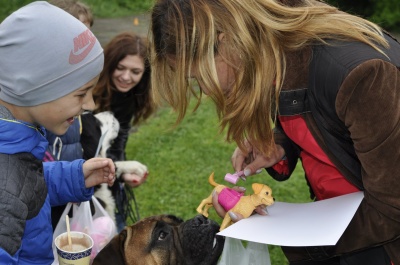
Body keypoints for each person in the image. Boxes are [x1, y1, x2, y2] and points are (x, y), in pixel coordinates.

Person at [149, 0, 400, 264]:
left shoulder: (364, 75)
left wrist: (287, 235)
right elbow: (325, 117)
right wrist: (280, 144)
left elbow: (392, 208)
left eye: (200, 76)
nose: (207, 89)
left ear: (226, 41)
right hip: (345, 224)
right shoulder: (278, 57)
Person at [0, 2, 116, 264]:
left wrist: (72, 177)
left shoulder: (17, 139)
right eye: (80, 93)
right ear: (32, 88)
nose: (90, 105)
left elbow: (25, 185)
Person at [84, 31, 156, 232]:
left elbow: (117, 145)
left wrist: (123, 174)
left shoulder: (130, 98)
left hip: (107, 181)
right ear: (109, 65)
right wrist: (121, 168)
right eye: (120, 68)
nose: (126, 77)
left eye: (135, 71)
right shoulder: (87, 95)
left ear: (144, 74)